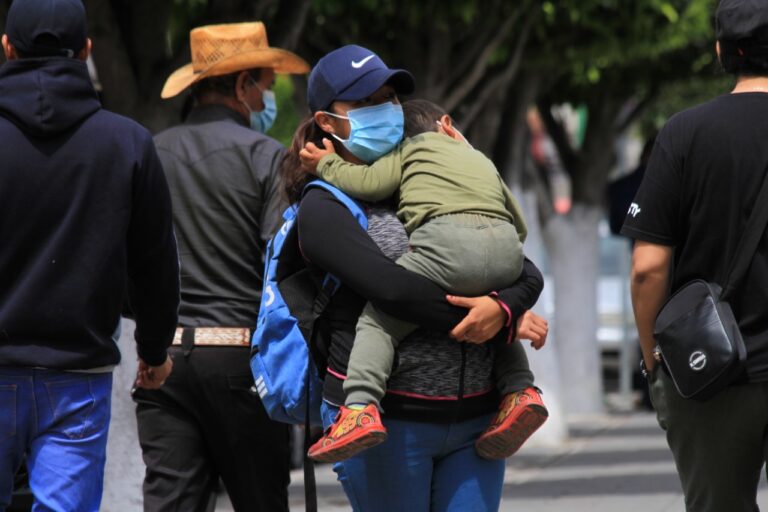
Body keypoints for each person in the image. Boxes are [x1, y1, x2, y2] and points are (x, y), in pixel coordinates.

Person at [283, 44, 549, 511]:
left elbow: (522, 268)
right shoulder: (323, 205)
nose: (384, 110)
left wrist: (502, 309)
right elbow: (391, 289)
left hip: (477, 420)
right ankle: (358, 409)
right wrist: (486, 317)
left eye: (388, 98)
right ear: (327, 121)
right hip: (389, 425)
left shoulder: (430, 175)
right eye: (364, 103)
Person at [0, 0, 179, 510]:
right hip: (77, 377)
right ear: (87, 51)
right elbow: (155, 262)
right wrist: (155, 350)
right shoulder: (127, 143)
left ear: (7, 48)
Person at [131, 22, 309, 512]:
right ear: (240, 85)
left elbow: (130, 256)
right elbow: (283, 263)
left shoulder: (151, 151)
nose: (265, 101)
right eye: (265, 89)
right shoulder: (268, 157)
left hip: (161, 365)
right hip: (241, 365)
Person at [622, 1, 768, 510]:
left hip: (713, 373)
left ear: (723, 51)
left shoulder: (685, 133)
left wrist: (654, 363)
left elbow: (648, 268)